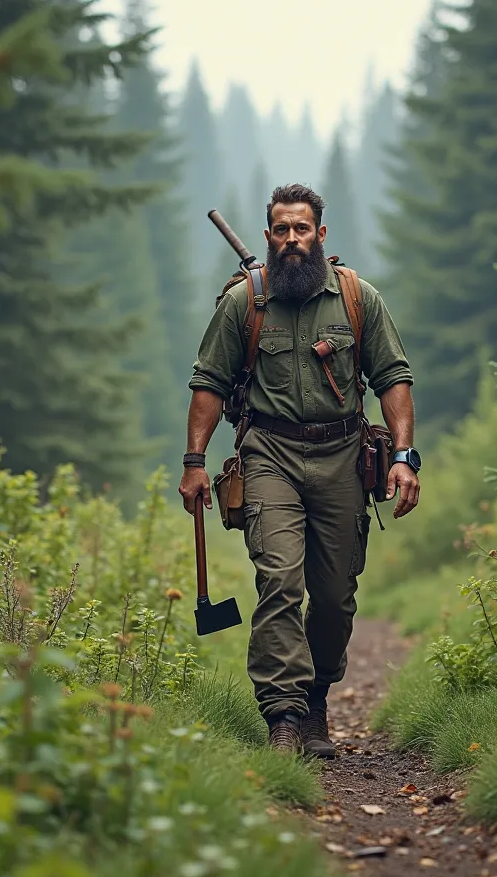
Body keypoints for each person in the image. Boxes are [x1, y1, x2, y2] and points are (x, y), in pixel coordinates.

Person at [179, 184, 420, 757]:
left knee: (335, 596)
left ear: (320, 235)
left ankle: (315, 701)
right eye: (281, 230)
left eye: (301, 229)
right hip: (269, 455)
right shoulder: (244, 303)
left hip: (342, 456)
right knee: (280, 580)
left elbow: (393, 378)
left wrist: (406, 458)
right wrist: (194, 462)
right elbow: (208, 382)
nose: (291, 239)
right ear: (267, 237)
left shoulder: (359, 299)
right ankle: (283, 717)